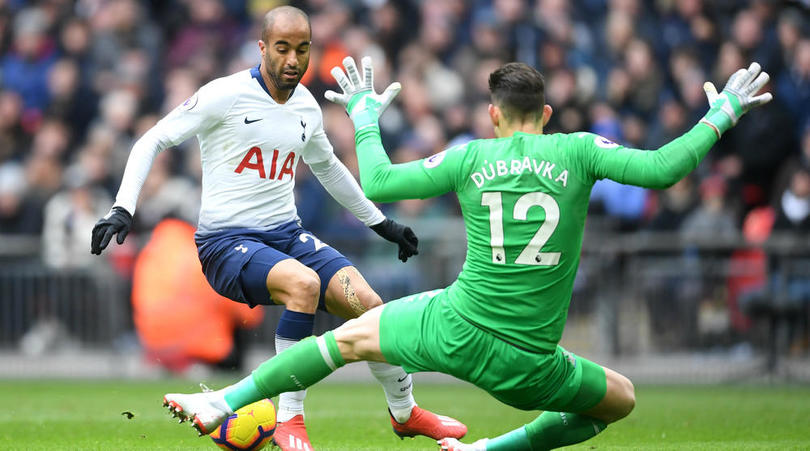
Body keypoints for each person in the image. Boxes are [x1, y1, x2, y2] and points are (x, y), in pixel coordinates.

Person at [163, 57, 771, 450]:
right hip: (531, 364)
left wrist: (366, 117)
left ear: (493, 115)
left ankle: (223, 399)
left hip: (453, 327)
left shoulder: (470, 157)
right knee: (619, 400)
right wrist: (722, 113)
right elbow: (664, 169)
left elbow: (377, 184)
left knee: (341, 342)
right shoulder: (582, 151)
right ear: (547, 115)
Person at [90, 7, 466, 451]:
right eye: (283, 48)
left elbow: (330, 170)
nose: (293, 59)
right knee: (303, 285)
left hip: (286, 235)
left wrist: (381, 223)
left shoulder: (307, 106)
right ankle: (290, 419)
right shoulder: (225, 95)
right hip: (225, 244)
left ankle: (405, 413)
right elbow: (152, 138)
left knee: (369, 304)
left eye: (302, 49)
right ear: (262, 48)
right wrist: (123, 208)